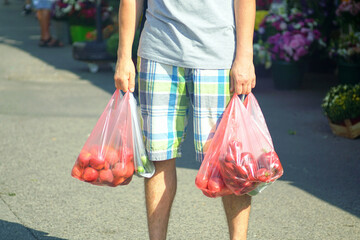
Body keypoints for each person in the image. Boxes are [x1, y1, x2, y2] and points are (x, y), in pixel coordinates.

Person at [114, 0, 256, 239]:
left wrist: (245, 57)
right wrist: (123, 56)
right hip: (159, 53)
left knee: (231, 162)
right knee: (159, 157)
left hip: (218, 56)